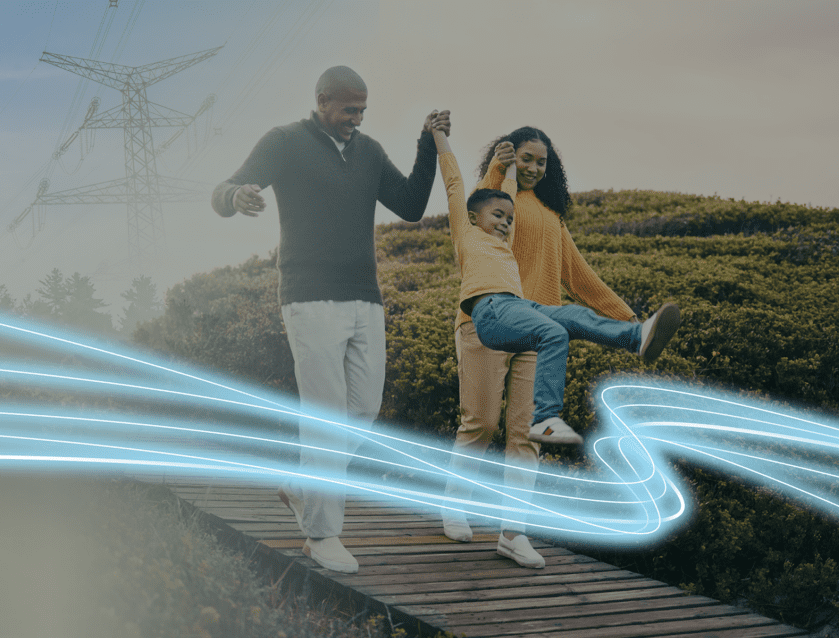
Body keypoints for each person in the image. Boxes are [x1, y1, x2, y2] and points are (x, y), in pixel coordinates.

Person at [211, 65, 449, 574]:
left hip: (365, 296)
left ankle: (300, 485)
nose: (356, 120)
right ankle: (322, 535)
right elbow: (224, 189)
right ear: (322, 101)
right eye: (348, 110)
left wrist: (427, 145)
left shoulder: (368, 152)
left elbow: (409, 205)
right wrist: (236, 197)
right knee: (325, 419)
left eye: (362, 110)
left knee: (363, 409)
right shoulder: (285, 142)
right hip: (309, 297)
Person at [434, 125, 680, 568]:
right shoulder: (496, 199)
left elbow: (580, 276)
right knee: (481, 423)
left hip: (538, 328)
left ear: (551, 169)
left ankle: (513, 532)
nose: (532, 167)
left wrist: (630, 320)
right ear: (510, 158)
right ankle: (455, 504)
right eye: (525, 158)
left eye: (540, 161)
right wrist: (497, 166)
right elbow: (477, 205)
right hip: (485, 322)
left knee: (527, 435)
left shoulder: (551, 215)